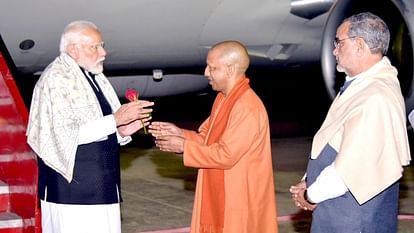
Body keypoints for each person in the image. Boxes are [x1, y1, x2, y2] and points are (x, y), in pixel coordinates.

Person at [26, 20, 153, 233]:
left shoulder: (90, 76)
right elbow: (62, 135)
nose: (103, 52)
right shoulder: (57, 79)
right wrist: (115, 120)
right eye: (95, 46)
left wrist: (121, 131)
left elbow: (96, 127)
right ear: (73, 49)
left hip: (101, 185)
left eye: (102, 45)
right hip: (72, 192)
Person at [289, 12, 411, 233]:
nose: (334, 50)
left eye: (339, 43)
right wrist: (310, 180)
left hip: (353, 219)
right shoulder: (362, 85)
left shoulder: (376, 97)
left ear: (360, 45)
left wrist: (310, 194)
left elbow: (350, 170)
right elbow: (334, 138)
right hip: (338, 209)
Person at [149, 41, 278, 233]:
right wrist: (179, 134)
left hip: (238, 199)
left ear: (230, 69)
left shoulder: (246, 107)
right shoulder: (224, 98)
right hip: (222, 194)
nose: (206, 73)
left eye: (212, 67)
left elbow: (226, 155)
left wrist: (184, 146)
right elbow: (207, 139)